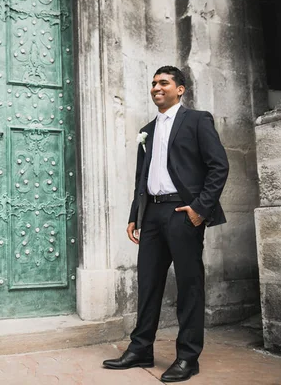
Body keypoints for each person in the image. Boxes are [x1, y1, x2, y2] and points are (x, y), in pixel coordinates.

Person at [102, 66, 229, 382]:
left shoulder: (198, 120)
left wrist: (200, 209)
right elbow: (140, 179)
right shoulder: (147, 129)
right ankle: (140, 348)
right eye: (154, 83)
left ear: (180, 89)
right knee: (147, 284)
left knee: (189, 285)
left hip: (183, 212)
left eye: (164, 82)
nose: (157, 87)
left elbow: (219, 167)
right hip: (153, 215)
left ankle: (188, 357)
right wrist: (135, 215)